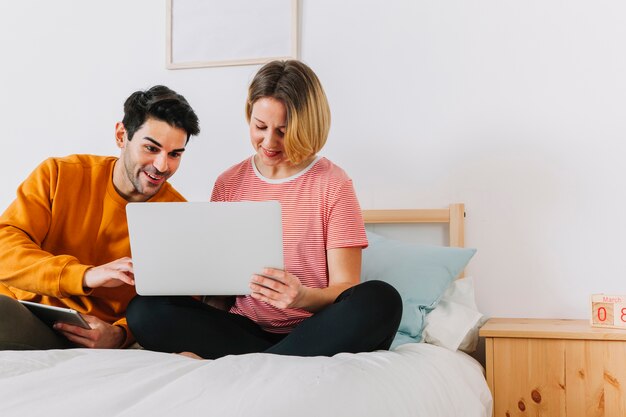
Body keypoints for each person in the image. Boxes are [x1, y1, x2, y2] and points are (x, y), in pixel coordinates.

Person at [127, 60, 402, 359]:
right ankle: (283, 361)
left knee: (381, 299)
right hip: (244, 331)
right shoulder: (229, 182)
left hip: (314, 329)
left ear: (307, 126)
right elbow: (220, 291)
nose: (268, 142)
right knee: (145, 310)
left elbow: (345, 287)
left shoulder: (333, 184)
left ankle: (268, 362)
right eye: (260, 127)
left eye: (283, 131)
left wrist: (303, 296)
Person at [0, 85, 200, 350]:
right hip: (24, 309)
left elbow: (179, 304)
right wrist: (85, 275)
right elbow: (4, 248)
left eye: (175, 154)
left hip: (91, 335)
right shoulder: (59, 174)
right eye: (151, 148)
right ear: (121, 135)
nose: (163, 166)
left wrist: (121, 335)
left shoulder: (178, 216)